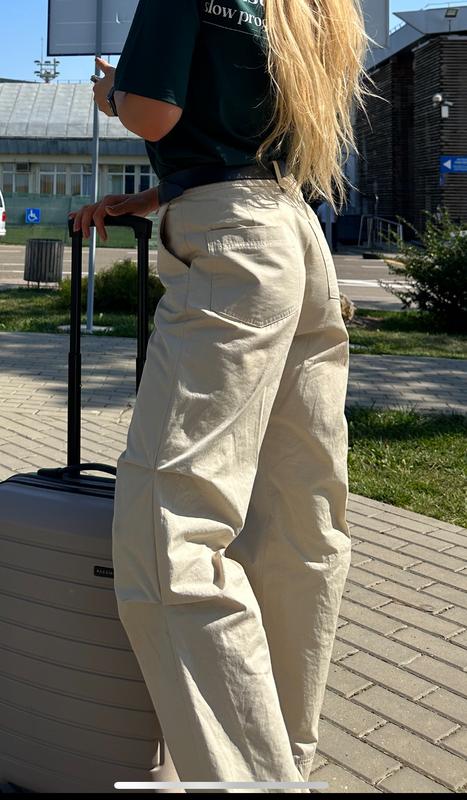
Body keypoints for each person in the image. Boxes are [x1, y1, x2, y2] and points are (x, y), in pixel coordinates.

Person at [71, 0, 370, 790]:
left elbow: (152, 111)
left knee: (166, 531)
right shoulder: (312, 7)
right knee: (298, 525)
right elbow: (247, 139)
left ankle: (249, 781)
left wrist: (110, 94)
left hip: (232, 253)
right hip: (294, 238)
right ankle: (282, 762)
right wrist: (157, 195)